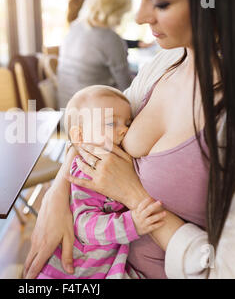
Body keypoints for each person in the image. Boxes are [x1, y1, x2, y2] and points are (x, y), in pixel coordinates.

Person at [24, 0, 235, 279]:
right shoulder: (165, 64)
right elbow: (93, 129)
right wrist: (58, 192)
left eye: (160, 2)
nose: (140, 16)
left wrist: (135, 196)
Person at [38, 86, 166, 279]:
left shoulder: (110, 164)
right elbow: (83, 225)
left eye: (128, 123)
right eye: (111, 124)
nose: (124, 130)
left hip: (103, 265)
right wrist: (133, 224)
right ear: (80, 136)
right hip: (74, 272)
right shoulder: (86, 172)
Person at [57, 0, 135, 109]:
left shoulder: (74, 27)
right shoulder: (111, 39)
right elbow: (127, 89)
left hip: (65, 113)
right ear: (118, 11)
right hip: (91, 118)